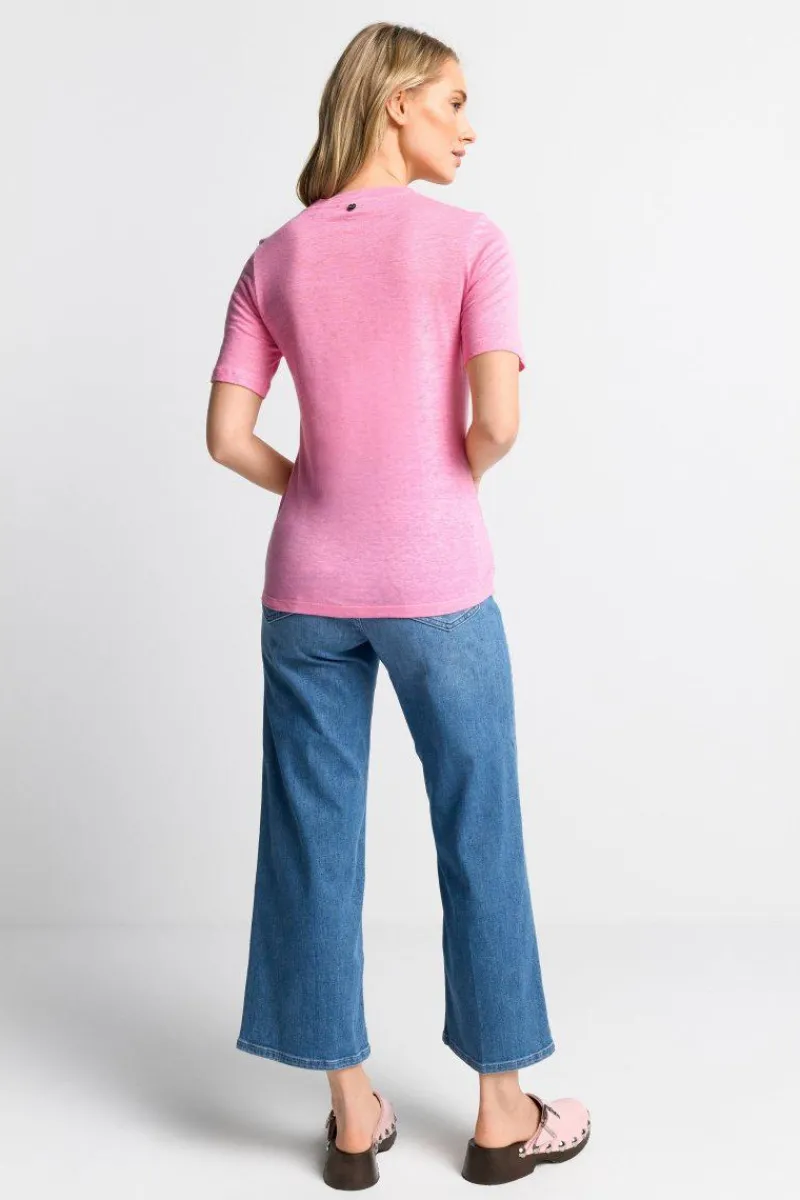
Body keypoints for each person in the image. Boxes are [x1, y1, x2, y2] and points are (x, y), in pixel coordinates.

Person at [206, 20, 590, 1191]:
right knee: (478, 830)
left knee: (310, 842)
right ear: (394, 104)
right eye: (454, 102)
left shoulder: (273, 256)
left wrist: (317, 486)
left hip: (305, 589)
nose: (469, 128)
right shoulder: (470, 243)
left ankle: (351, 1113)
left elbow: (226, 438)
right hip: (437, 585)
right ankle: (500, 1115)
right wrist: (435, 485)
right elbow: (498, 423)